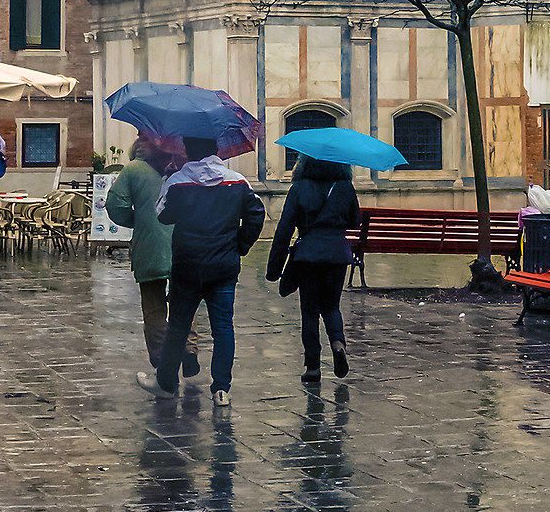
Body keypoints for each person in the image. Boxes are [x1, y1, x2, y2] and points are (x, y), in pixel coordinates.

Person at [155, 143, 265, 417]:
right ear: (217, 149)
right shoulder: (237, 181)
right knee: (223, 328)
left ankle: (166, 383)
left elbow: (163, 216)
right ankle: (221, 389)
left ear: (188, 150)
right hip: (223, 267)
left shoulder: (178, 181)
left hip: (188, 266)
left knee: (179, 326)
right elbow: (257, 213)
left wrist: (167, 179)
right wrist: (240, 245)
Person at [105, 135, 200, 393]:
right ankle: (189, 348)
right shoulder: (184, 166)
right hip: (183, 242)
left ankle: (160, 361)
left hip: (150, 245)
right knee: (184, 302)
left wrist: (138, 219)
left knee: (154, 306)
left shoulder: (134, 169)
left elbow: (115, 206)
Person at [266, 153, 360, 386]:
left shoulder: (299, 188)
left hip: (307, 256)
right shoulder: (345, 186)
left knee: (309, 311)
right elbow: (354, 221)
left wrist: (274, 268)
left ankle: (312, 367)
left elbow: (284, 229)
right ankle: (338, 345)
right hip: (337, 255)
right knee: (331, 306)